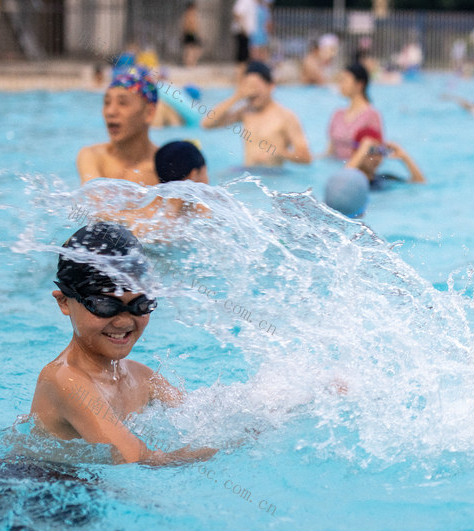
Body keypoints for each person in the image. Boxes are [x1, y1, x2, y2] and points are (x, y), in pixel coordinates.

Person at [30, 222, 216, 465]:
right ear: (64, 302)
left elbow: (202, 417)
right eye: (106, 306)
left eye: (140, 304)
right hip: (30, 488)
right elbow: (134, 458)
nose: (124, 321)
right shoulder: (64, 379)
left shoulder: (142, 377)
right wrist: (227, 444)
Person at [201, 61, 311, 168]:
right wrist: (237, 96)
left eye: (256, 86)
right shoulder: (245, 113)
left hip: (274, 178)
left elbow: (306, 157)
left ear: (271, 86)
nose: (251, 91)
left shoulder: (286, 117)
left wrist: (280, 153)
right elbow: (207, 124)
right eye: (248, 86)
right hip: (248, 174)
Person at [76, 67, 160, 185]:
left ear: (149, 113)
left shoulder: (165, 167)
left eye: (122, 103)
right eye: (107, 103)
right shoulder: (93, 156)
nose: (110, 112)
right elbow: (95, 199)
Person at [327, 63, 383, 161]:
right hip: (337, 166)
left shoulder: (371, 115)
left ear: (359, 84)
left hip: (356, 172)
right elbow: (330, 151)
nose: (340, 85)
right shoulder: (337, 114)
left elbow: (377, 154)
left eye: (344, 80)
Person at [344, 128, 425, 188]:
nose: (376, 157)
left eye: (381, 151)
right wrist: (361, 152)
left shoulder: (385, 179)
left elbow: (420, 183)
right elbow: (342, 181)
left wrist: (405, 157)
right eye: (371, 150)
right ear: (356, 152)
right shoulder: (352, 182)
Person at [232, 0, 257, 73]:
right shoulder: (245, 1)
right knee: (242, 59)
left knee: (246, 58)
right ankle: (240, 78)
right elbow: (237, 14)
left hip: (246, 33)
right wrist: (243, 28)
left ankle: (242, 77)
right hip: (243, 33)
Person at [181, 2, 202, 68]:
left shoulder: (188, 14)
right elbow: (190, 25)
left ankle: (190, 63)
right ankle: (189, 63)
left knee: (190, 49)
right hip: (191, 33)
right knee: (190, 49)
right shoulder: (190, 14)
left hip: (190, 33)